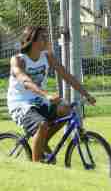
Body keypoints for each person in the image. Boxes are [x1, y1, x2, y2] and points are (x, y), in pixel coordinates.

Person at [7, 26, 96, 163]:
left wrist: (86, 94)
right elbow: (25, 81)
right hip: (20, 103)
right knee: (42, 124)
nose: (47, 40)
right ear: (32, 41)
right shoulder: (19, 60)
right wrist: (46, 94)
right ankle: (37, 167)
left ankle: (42, 143)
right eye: (43, 37)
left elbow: (66, 76)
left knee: (66, 109)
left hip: (39, 100)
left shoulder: (47, 57)